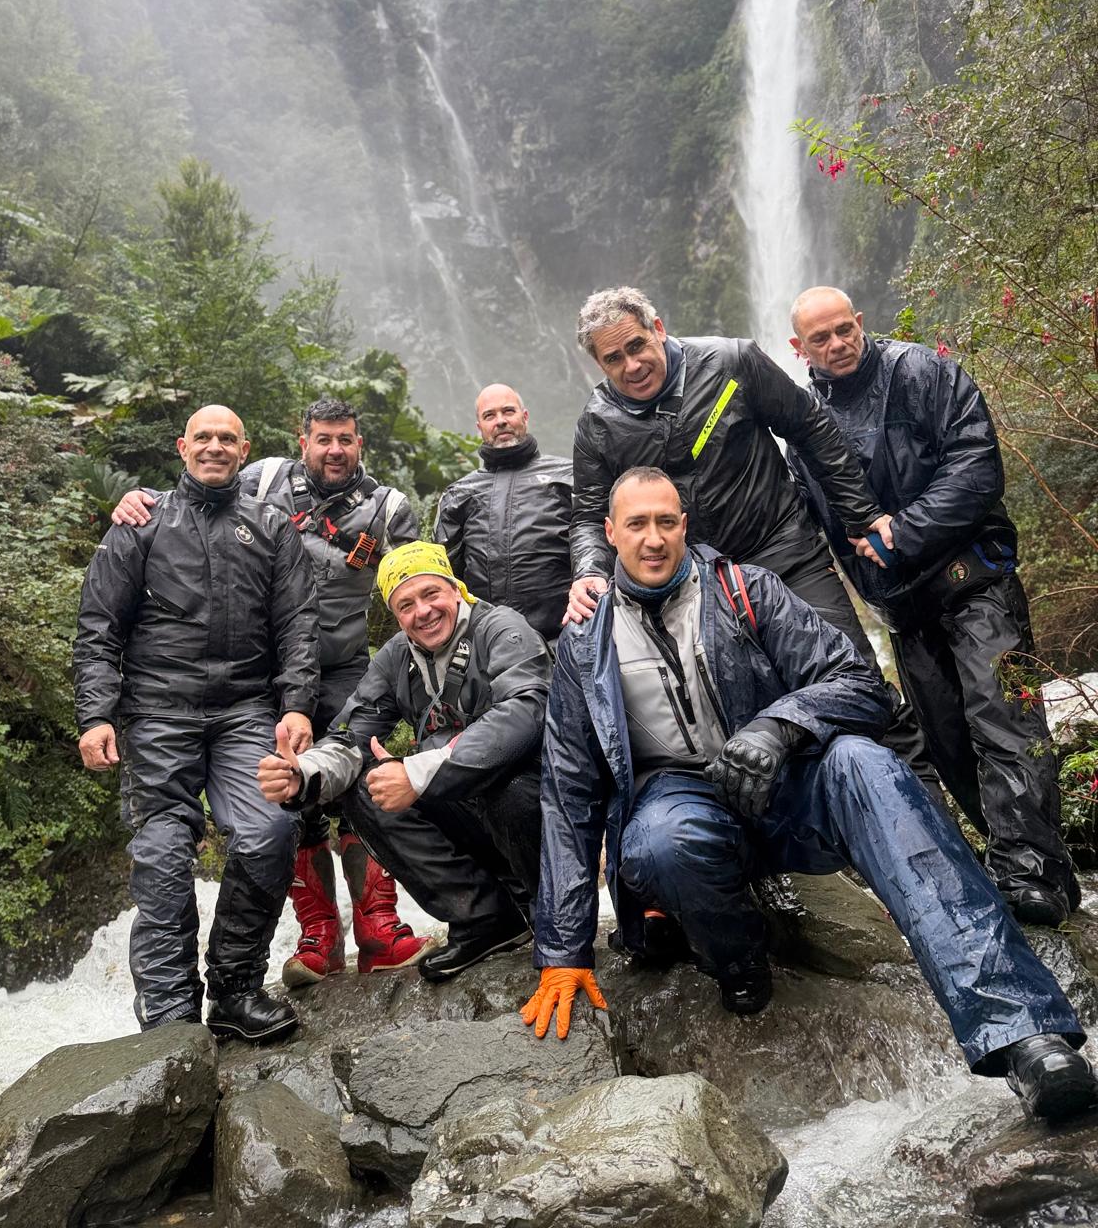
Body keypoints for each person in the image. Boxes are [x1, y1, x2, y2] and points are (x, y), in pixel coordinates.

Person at [523, 467, 1098, 1123]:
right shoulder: (583, 643)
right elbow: (568, 791)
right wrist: (562, 952)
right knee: (657, 843)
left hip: (785, 789)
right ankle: (737, 957)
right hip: (682, 803)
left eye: (666, 521)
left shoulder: (748, 590)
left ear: (684, 524)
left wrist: (780, 726)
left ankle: (1026, 1036)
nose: (653, 539)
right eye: (637, 524)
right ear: (610, 533)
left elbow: (859, 684)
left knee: (865, 763)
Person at [110, 397, 430, 987]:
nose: (335, 450)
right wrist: (141, 499)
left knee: (362, 784)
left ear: (360, 444)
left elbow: (417, 588)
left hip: (345, 669)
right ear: (302, 440)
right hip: (265, 673)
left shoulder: (387, 508)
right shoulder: (264, 479)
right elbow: (204, 486)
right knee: (288, 795)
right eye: (323, 438)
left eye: (346, 439)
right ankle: (318, 938)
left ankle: (379, 928)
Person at [787, 285, 1078, 927]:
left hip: (976, 578)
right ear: (798, 347)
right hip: (903, 608)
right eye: (821, 338)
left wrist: (902, 530)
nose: (838, 344)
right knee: (948, 744)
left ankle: (1035, 874)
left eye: (844, 329)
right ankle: (1022, 864)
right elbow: (799, 523)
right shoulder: (804, 427)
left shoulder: (921, 372)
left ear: (860, 322)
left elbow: (978, 467)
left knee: (1004, 716)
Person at [74, 404, 319, 1042]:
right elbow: (99, 627)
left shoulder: (271, 526)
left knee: (269, 831)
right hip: (157, 710)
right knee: (162, 854)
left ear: (245, 450)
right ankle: (169, 1015)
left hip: (246, 710)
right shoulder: (141, 522)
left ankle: (235, 990)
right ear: (182, 448)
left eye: (226, 438)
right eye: (203, 437)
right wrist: (95, 715)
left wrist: (296, 703)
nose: (214, 446)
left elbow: (297, 625)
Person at [258, 541, 550, 981]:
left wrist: (417, 770)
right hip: (465, 804)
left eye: (431, 594)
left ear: (455, 589)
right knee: (367, 788)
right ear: (396, 616)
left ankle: (551, 910)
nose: (423, 612)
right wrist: (303, 775)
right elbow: (352, 733)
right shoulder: (397, 656)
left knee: (507, 789)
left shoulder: (502, 628)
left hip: (534, 801)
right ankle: (486, 918)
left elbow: (526, 710)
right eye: (406, 605)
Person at [565, 287, 883, 669]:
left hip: (786, 555)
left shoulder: (731, 361)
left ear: (658, 329)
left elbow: (811, 427)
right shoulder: (598, 424)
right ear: (599, 364)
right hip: (696, 590)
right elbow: (589, 517)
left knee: (852, 672)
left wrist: (862, 515)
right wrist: (589, 572)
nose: (632, 365)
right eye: (614, 358)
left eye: (636, 346)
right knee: (756, 699)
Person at [435, 383, 572, 644]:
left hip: (565, 638)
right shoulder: (459, 494)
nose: (500, 421)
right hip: (488, 644)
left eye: (508, 411)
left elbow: (593, 551)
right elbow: (445, 575)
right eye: (490, 415)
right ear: (479, 427)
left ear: (525, 416)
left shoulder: (567, 477)